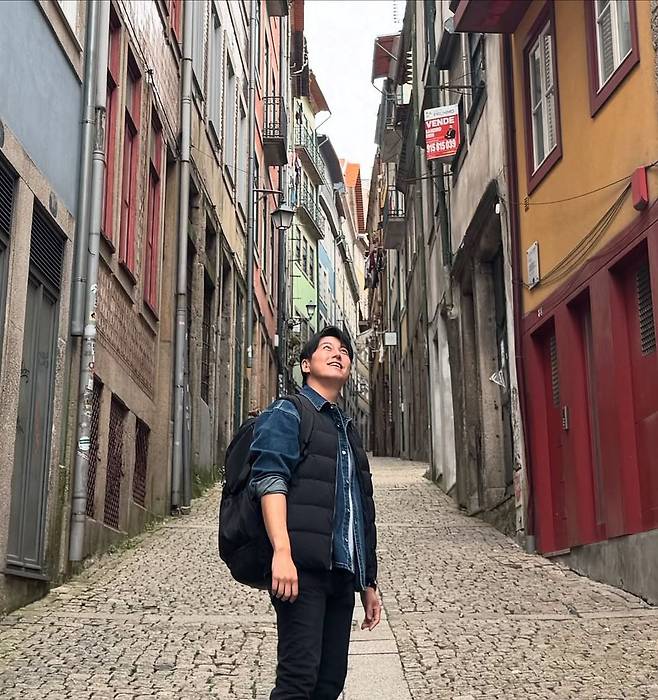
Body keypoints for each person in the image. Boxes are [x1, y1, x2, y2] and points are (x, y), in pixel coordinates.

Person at [249, 326, 381, 699]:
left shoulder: (347, 431)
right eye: (327, 348)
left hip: (341, 574)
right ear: (306, 365)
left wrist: (368, 582)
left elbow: (358, 508)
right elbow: (270, 481)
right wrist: (282, 552)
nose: (338, 354)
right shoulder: (288, 412)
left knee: (330, 683)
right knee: (298, 681)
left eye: (344, 351)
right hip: (301, 570)